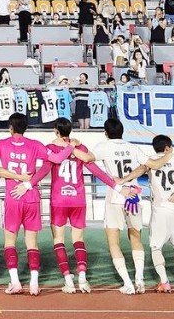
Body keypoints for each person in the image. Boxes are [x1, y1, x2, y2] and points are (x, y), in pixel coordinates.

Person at [0, 113, 64, 295]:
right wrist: (71, 147)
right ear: (25, 128)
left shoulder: (2, 144)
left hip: (13, 197)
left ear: (11, 128)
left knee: (10, 241)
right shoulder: (35, 145)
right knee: (32, 242)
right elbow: (56, 159)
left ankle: (15, 282)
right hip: (31, 196)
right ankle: (34, 284)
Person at [44, 119, 132, 294]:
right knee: (78, 239)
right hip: (78, 200)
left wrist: (28, 184)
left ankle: (68, 280)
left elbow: (43, 170)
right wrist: (117, 187)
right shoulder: (81, 148)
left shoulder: (51, 148)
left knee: (58, 240)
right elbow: (97, 171)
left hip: (59, 199)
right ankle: (83, 278)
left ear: (56, 131)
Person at [73, 119, 149, 294]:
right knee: (136, 238)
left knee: (113, 242)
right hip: (134, 196)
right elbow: (145, 166)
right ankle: (139, 278)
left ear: (106, 133)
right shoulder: (133, 147)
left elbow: (86, 158)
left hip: (116, 196)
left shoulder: (104, 146)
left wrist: (70, 147)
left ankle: (128, 283)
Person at [123, 135, 174, 294]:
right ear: (168, 147)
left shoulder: (151, 161)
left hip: (160, 210)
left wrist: (124, 179)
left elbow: (140, 170)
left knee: (156, 247)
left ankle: (164, 282)